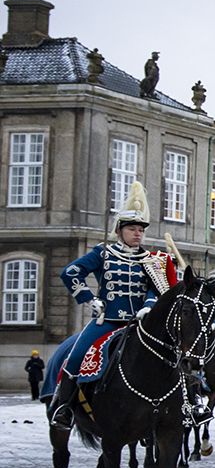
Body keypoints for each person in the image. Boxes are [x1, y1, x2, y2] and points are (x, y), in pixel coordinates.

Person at [48, 182, 179, 428]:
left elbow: (157, 288)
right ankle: (63, 407)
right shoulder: (103, 253)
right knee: (77, 355)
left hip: (139, 324)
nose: (138, 233)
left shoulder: (151, 260)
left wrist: (149, 304)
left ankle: (183, 406)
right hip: (107, 320)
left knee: (173, 356)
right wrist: (89, 299)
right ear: (119, 230)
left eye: (141, 229)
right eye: (132, 229)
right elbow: (70, 272)